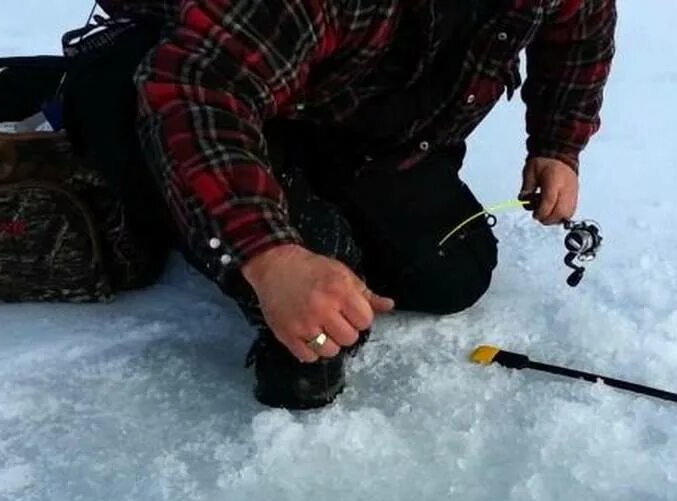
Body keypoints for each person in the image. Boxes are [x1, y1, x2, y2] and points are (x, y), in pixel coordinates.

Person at [69, 0, 616, 409]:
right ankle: (127, 120)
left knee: (450, 275)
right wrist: (271, 255)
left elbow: (582, 27)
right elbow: (197, 87)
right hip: (207, 73)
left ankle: (294, 199)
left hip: (358, 114)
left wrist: (557, 145)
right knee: (309, 346)